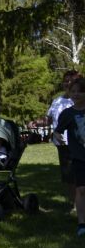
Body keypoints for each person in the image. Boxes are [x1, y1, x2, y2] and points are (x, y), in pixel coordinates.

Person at [53, 77, 85, 236]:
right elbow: (58, 130)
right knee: (81, 189)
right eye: (73, 91)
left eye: (80, 91)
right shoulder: (67, 113)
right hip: (79, 157)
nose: (77, 94)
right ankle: (82, 224)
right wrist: (57, 135)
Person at [47, 70, 81, 212]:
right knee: (69, 176)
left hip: (79, 143)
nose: (67, 83)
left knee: (80, 173)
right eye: (65, 81)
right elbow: (49, 118)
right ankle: (75, 204)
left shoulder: (79, 99)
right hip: (62, 144)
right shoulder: (57, 101)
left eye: (70, 81)